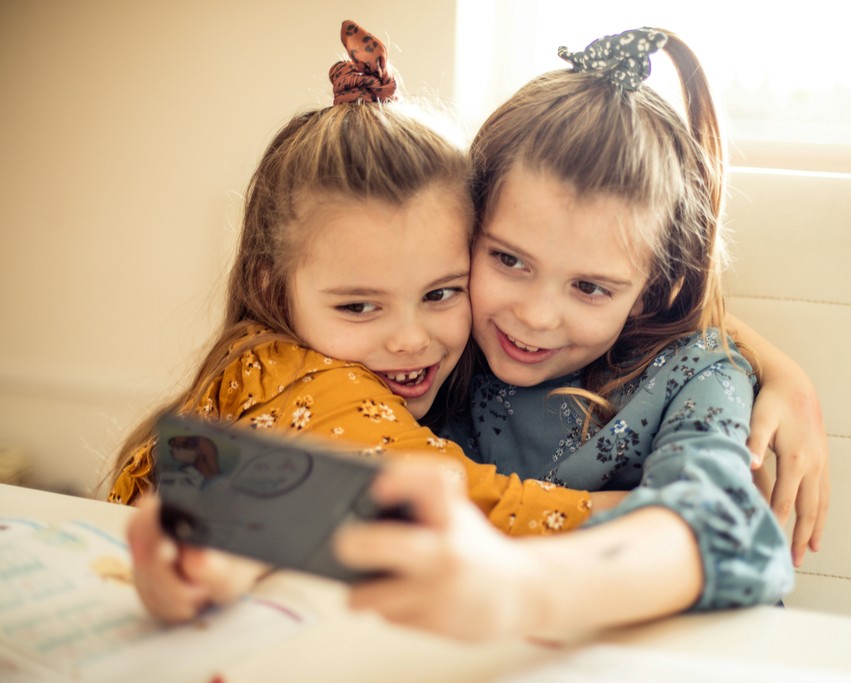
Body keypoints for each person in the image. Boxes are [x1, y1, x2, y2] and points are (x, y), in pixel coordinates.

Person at [116, 20, 610, 622]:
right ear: (274, 288)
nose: (411, 339)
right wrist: (682, 523)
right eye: (358, 306)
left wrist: (743, 347)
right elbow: (475, 511)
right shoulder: (290, 373)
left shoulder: (429, 357)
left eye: (441, 293)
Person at [336, 26, 799, 640]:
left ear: (651, 291)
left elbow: (718, 521)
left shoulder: (699, 375)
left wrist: (524, 586)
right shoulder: (437, 347)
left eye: (589, 288)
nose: (535, 316)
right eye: (509, 261)